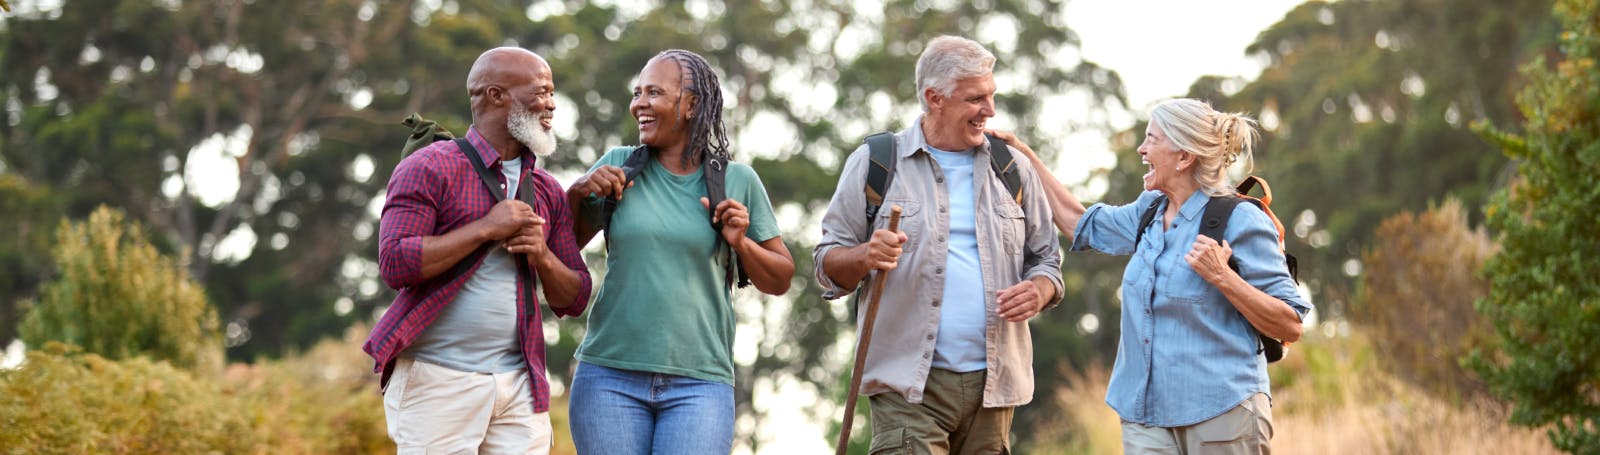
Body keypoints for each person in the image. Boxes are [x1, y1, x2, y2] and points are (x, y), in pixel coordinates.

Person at [990, 98, 1310, 454]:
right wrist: (1024, 154)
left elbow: (1290, 324)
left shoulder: (1241, 219)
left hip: (1224, 412)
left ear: (1184, 157)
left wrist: (1223, 277)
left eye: (1151, 139)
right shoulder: (1150, 212)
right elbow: (1078, 222)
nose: (1141, 149)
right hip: (1145, 416)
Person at [813, 35, 1063, 454]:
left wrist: (1040, 290)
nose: (990, 110)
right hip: (907, 389)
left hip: (995, 389)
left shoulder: (1013, 168)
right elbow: (826, 264)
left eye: (991, 95)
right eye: (975, 99)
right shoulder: (876, 163)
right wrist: (865, 255)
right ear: (934, 98)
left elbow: (1046, 260)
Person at [563, 49, 795, 454]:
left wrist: (741, 242)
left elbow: (780, 278)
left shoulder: (737, 180)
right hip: (608, 378)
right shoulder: (617, 166)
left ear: (691, 105)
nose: (639, 104)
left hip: (700, 384)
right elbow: (561, 246)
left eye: (654, 92)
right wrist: (579, 192)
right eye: (637, 93)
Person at [364, 47, 592, 454]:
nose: (551, 104)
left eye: (551, 93)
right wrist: (486, 229)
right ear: (495, 95)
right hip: (437, 381)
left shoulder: (547, 190)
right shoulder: (428, 167)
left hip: (521, 382)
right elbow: (396, 263)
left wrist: (542, 254)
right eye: (540, 92)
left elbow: (575, 298)